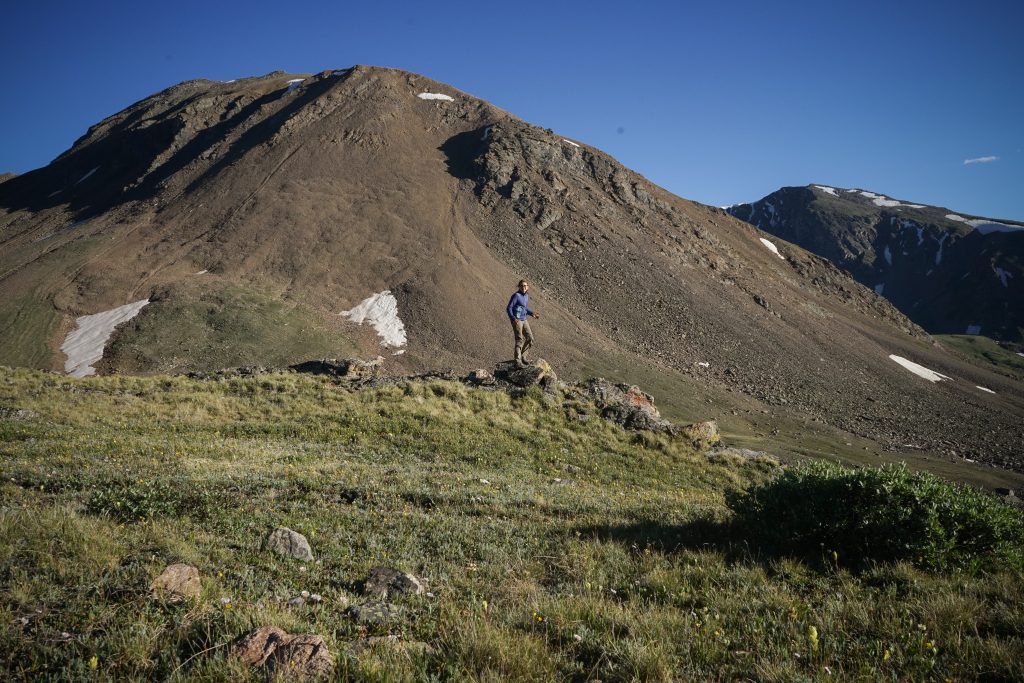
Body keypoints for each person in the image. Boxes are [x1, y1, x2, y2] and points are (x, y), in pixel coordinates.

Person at [506, 279, 539, 367]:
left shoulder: (526, 296)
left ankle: (523, 357)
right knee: (519, 340)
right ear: (519, 287)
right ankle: (517, 360)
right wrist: (513, 318)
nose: (523, 287)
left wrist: (532, 313)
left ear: (528, 287)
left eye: (525, 286)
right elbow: (509, 308)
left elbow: (524, 308)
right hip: (517, 320)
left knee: (530, 338)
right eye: (522, 286)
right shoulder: (516, 296)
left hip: (524, 319)